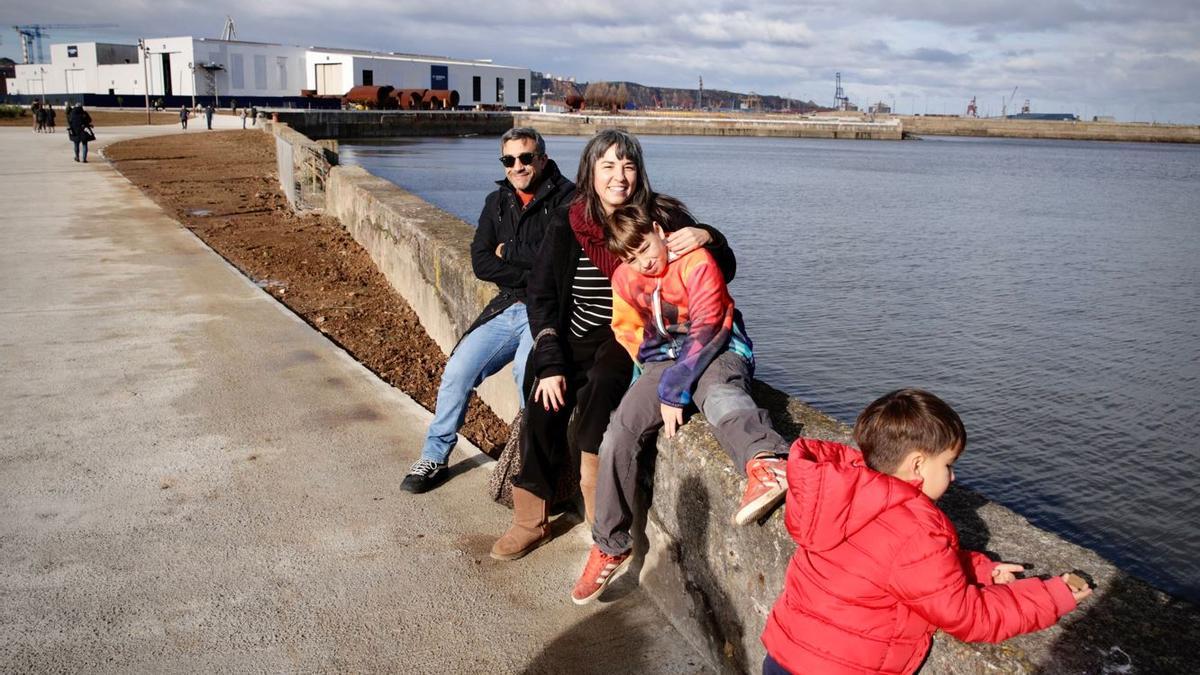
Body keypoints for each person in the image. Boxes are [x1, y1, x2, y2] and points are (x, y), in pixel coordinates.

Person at [490, 128, 737, 561]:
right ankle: (530, 520)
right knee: (544, 404)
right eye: (607, 165)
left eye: (628, 165)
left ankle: (594, 508)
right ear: (591, 171)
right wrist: (549, 359)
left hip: (628, 336)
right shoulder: (569, 220)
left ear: (639, 172)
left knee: (603, 389)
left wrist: (708, 236)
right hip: (573, 332)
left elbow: (724, 271)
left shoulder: (661, 216)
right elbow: (543, 295)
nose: (618, 175)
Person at [760, 389, 1091, 675]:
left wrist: (980, 570)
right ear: (917, 465)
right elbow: (968, 617)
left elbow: (895, 569)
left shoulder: (846, 498)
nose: (954, 478)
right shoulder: (913, 529)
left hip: (785, 656)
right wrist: (1051, 596)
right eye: (948, 464)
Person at [570, 203, 791, 604]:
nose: (645, 260)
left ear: (659, 230)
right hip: (665, 361)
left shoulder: (695, 260)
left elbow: (708, 325)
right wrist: (655, 379)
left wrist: (675, 389)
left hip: (719, 346)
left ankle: (767, 461)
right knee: (617, 433)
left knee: (719, 394)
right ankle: (610, 543)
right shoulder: (624, 278)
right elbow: (628, 329)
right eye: (632, 256)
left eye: (646, 246)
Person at [400, 127, 575, 494]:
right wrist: (530, 264)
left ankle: (539, 470)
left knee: (528, 376)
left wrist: (507, 253)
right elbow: (481, 262)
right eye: (509, 160)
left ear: (541, 158)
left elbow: (558, 262)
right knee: (458, 371)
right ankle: (434, 455)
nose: (518, 166)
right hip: (508, 304)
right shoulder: (497, 201)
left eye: (526, 158)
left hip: (547, 310)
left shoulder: (569, 200)